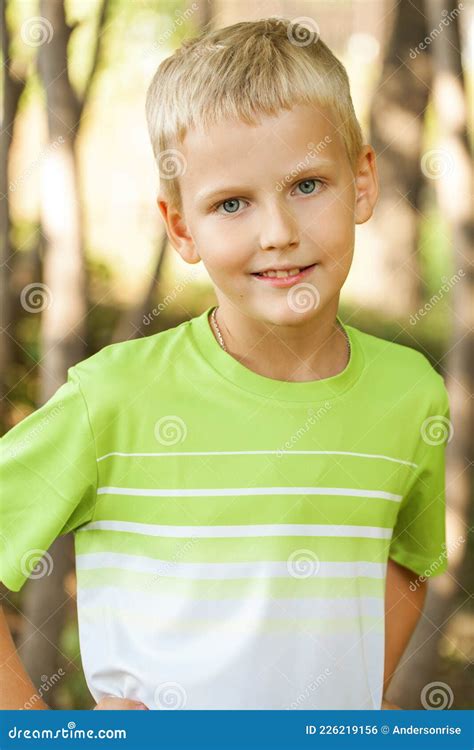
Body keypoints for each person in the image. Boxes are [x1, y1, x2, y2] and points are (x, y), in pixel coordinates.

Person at [0, 17, 450, 711]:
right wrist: (31, 724)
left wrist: (343, 708)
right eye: (231, 203)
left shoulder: (411, 395)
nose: (278, 233)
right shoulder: (115, 396)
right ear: (182, 227)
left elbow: (409, 561)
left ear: (362, 182)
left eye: (306, 185)